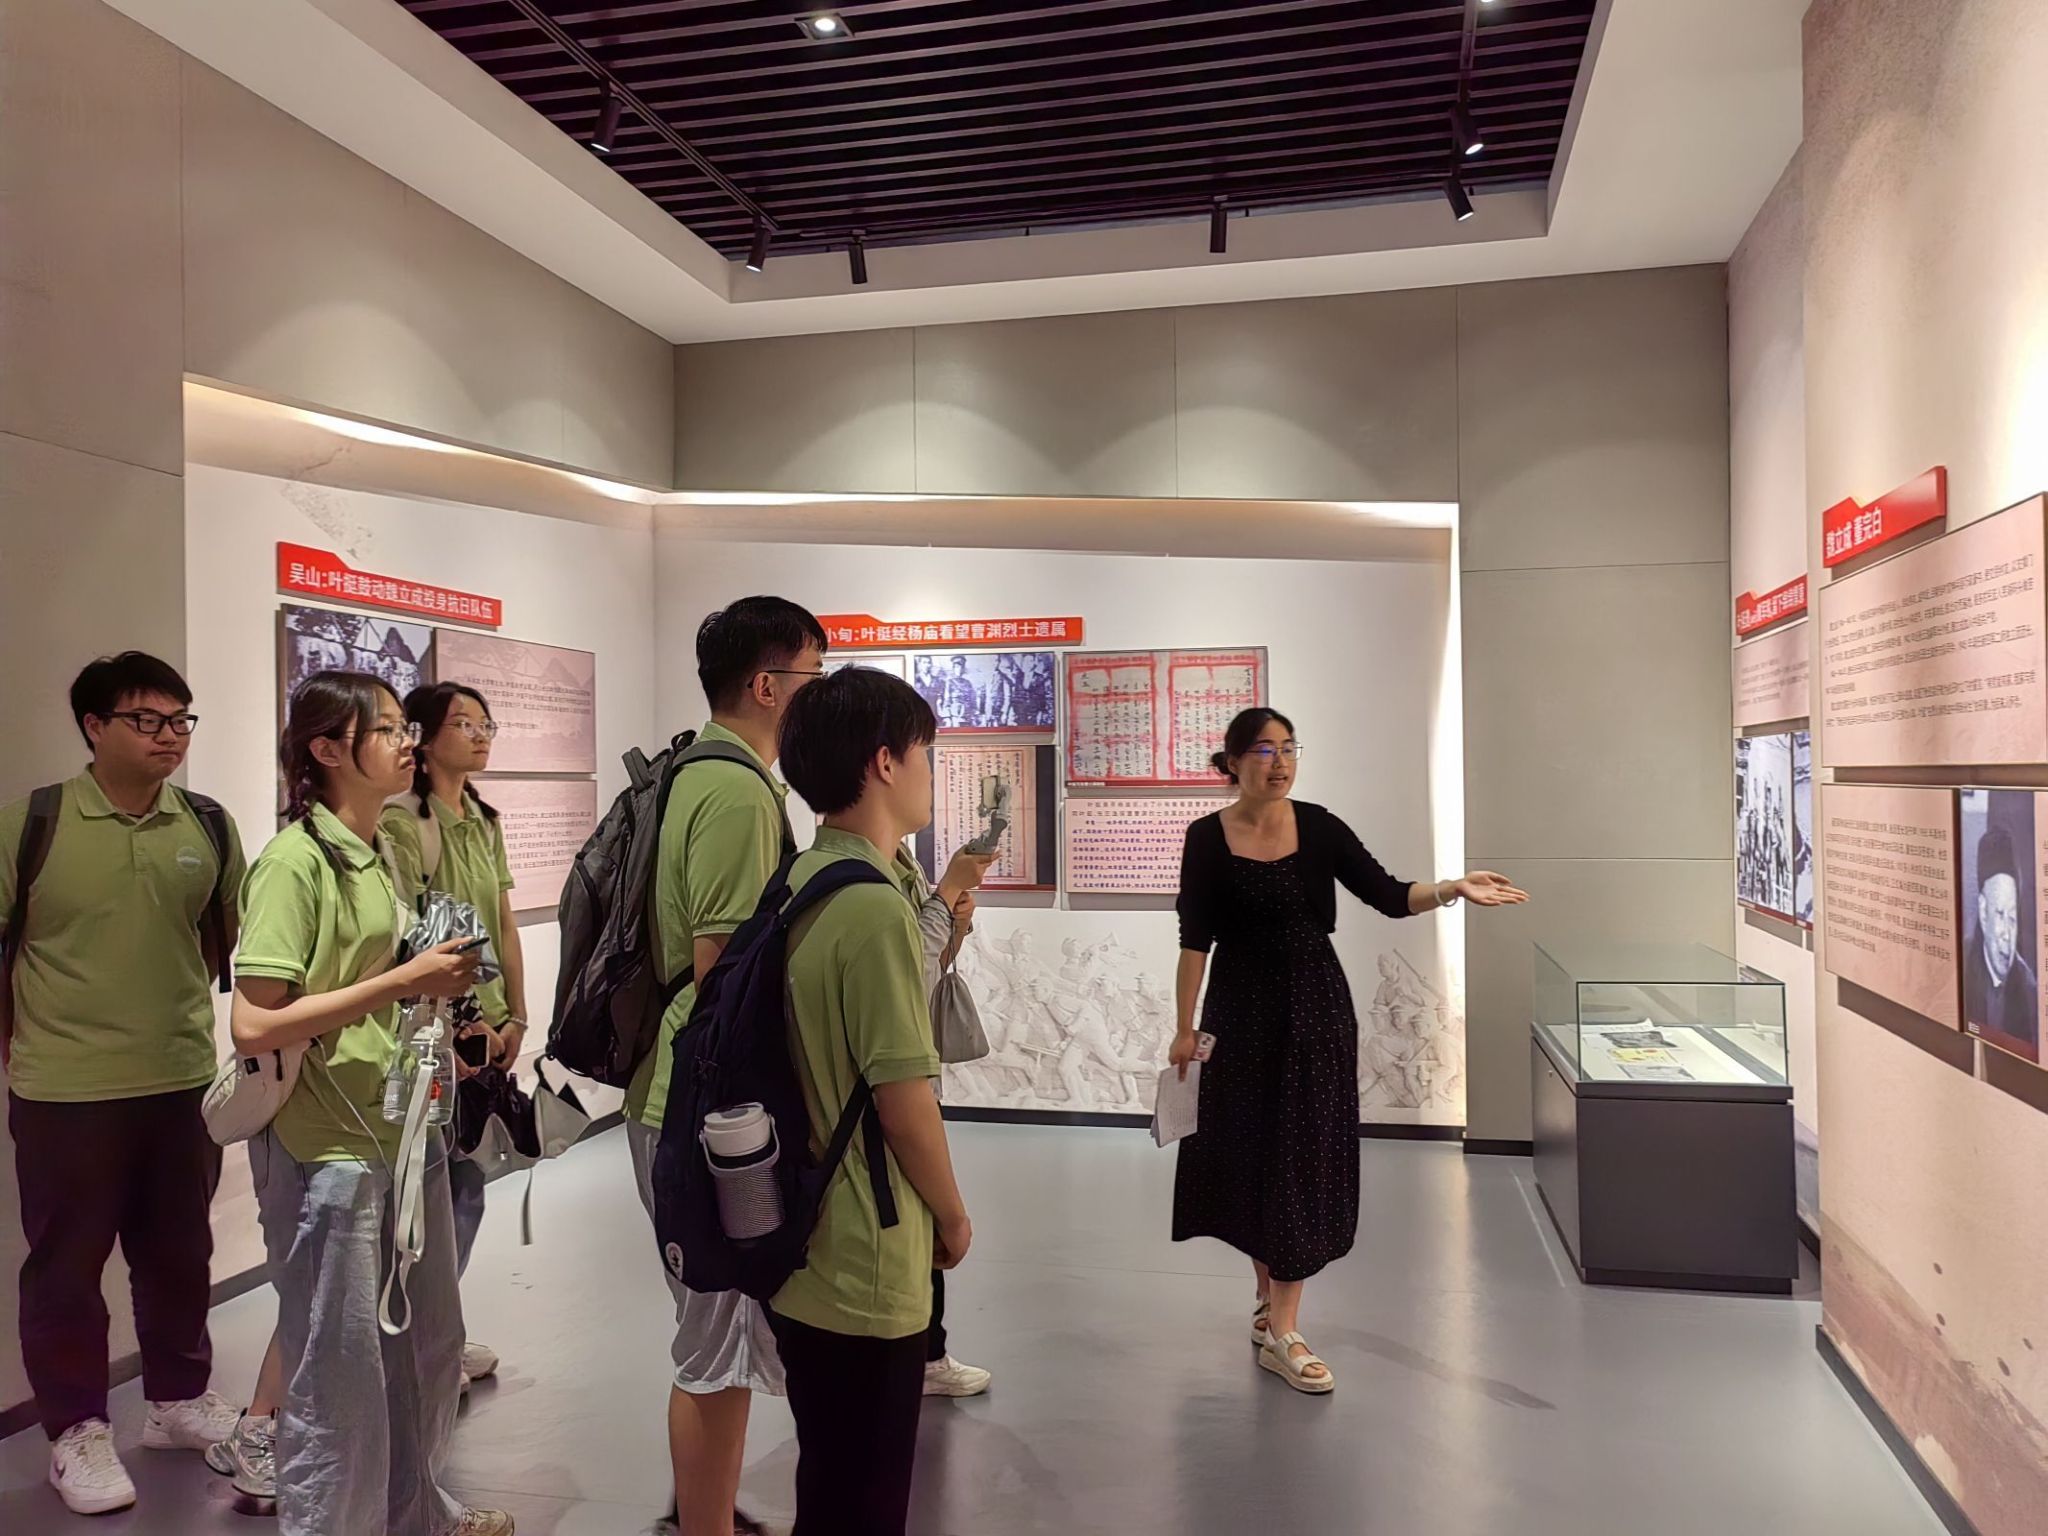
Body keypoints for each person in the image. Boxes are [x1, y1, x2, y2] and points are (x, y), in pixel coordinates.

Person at [1169, 707, 1527, 1395]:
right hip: (1239, 1015)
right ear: (1233, 762)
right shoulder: (1206, 838)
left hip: (1315, 1012)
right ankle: (1268, 1303)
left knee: (1300, 1157)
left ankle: (1285, 1330)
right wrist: (1184, 1027)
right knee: (1252, 1154)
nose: (1280, 762)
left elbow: (1389, 895)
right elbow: (1194, 939)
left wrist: (1452, 887)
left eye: (1289, 748)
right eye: (1264, 750)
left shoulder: (1321, 827)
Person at [231, 670, 510, 1536]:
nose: (406, 742)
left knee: (425, 1351)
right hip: (328, 1147)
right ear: (326, 749)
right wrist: (401, 981)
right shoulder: (295, 862)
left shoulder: (376, 851)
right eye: (386, 728)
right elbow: (253, 1023)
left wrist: (435, 1003)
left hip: (401, 1132)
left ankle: (415, 1515)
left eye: (402, 727)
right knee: (338, 1375)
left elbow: (374, 988)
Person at [0, 653, 247, 1515]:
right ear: (94, 727)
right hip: (64, 1089)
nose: (170, 736)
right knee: (66, 1270)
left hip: (181, 1077)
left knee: (180, 1252)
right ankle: (75, 1429)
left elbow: (223, 940)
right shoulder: (32, 824)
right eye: (147, 720)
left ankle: (177, 1400)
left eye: (180, 720)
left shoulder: (206, 825)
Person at [621, 596, 824, 1536]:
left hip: (677, 1088)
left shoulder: (695, 770)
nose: (819, 694)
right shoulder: (739, 792)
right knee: (714, 1342)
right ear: (767, 686)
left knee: (723, 1335)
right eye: (813, 676)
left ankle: (705, 1514)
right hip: (703, 1103)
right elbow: (722, 973)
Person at [771, 668, 974, 1536]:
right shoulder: (874, 911)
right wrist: (953, 1217)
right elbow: (902, 1099)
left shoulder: (803, 878)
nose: (931, 770)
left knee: (828, 1480)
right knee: (868, 1498)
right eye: (924, 751)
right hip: (868, 1247)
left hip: (800, 1239)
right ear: (885, 763)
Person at [382, 682, 528, 1390]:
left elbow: (503, 921)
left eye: (484, 722)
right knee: (424, 1191)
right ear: (424, 737)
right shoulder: (404, 822)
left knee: (466, 1183)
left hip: (485, 1028)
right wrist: (461, 1027)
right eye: (463, 723)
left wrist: (517, 1014)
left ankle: (439, 1334)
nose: (480, 734)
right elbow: (413, 935)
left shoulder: (483, 818)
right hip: (433, 1032)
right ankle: (415, 1343)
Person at [1963, 825, 2038, 1050]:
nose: (2007, 934)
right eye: (2000, 914)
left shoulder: (2029, 988)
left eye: (2012, 918)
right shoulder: (1961, 963)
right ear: (1983, 912)